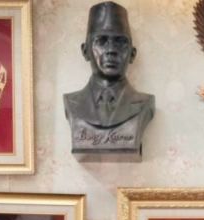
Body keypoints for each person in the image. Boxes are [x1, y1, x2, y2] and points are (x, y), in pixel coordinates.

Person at [62, 2, 154, 153]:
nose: (111, 50)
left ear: (132, 54)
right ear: (85, 51)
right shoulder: (71, 103)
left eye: (120, 42)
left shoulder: (145, 103)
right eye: (101, 41)